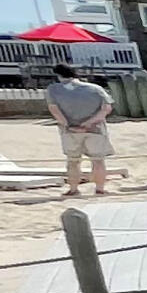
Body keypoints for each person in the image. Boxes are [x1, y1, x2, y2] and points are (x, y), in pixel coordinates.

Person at [44, 62, 114, 198]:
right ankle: (100, 189)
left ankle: (73, 189)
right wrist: (88, 123)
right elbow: (106, 109)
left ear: (59, 75)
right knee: (98, 161)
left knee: (73, 161)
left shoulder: (54, 89)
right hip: (95, 129)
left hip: (70, 130)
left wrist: (68, 125)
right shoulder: (95, 88)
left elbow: (54, 109)